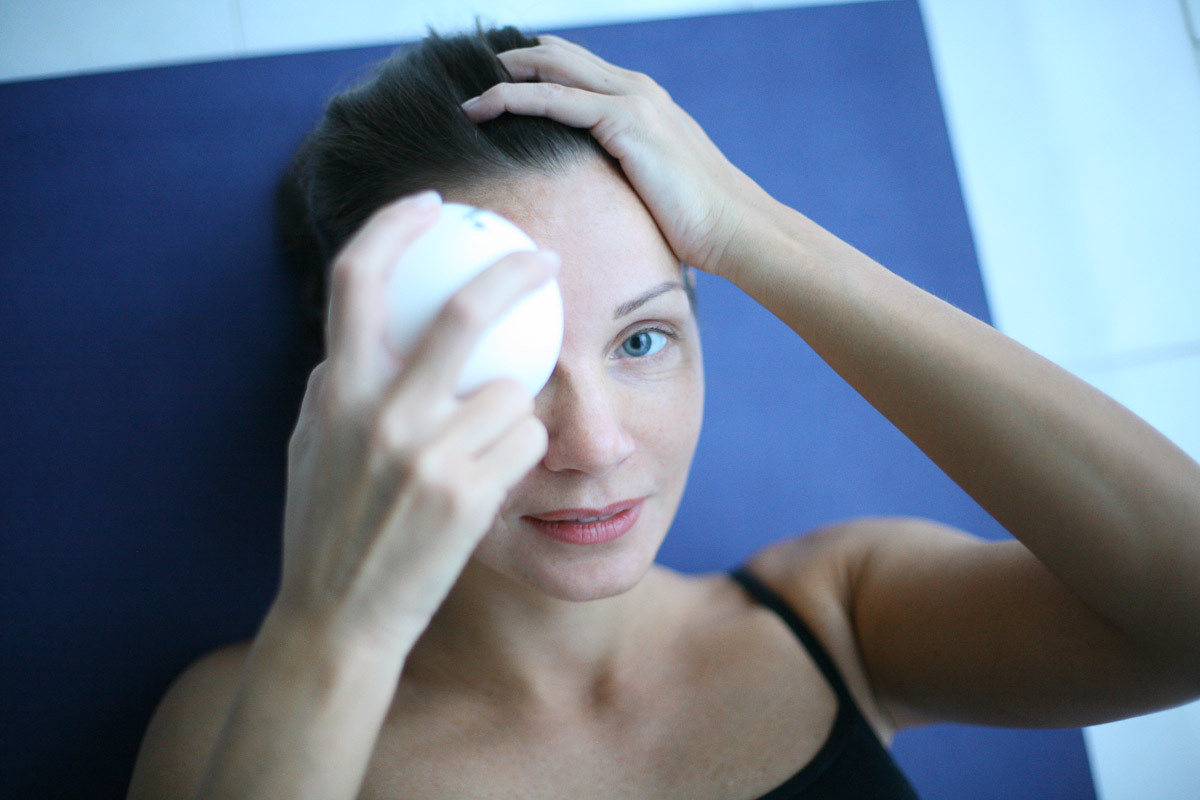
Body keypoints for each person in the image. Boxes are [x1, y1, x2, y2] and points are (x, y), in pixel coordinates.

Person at [127, 26, 1200, 800]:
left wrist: (752, 230)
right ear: (362, 391)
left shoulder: (841, 617)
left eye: (642, 339)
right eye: (499, 360)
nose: (593, 444)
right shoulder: (242, 721)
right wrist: (337, 627)